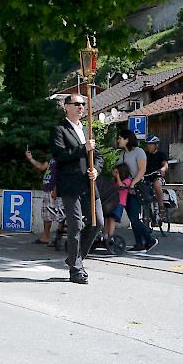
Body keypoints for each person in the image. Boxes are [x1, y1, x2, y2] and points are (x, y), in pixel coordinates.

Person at [50, 94, 104, 285]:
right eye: (77, 104)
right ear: (66, 106)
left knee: (97, 223)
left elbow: (98, 156)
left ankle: (75, 257)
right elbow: (60, 155)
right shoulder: (59, 130)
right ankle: (76, 269)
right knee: (75, 226)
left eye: (83, 104)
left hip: (89, 185)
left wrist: (96, 169)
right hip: (71, 186)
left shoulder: (88, 130)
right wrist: (83, 148)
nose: (81, 107)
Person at [117, 129, 158, 253]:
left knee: (134, 218)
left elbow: (142, 170)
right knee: (132, 217)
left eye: (120, 138)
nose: (118, 140)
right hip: (126, 189)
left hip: (136, 188)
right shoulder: (122, 154)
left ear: (127, 139)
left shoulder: (138, 152)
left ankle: (150, 239)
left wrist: (133, 184)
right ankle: (139, 244)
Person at [25, 150, 63, 246]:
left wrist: (56, 189)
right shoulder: (52, 158)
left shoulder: (62, 159)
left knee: (60, 215)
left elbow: (60, 175)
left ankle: (58, 237)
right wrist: (30, 158)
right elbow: (41, 167)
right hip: (47, 189)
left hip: (54, 191)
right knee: (47, 215)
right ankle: (46, 236)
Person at [101, 163, 132, 243]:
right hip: (110, 202)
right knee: (106, 218)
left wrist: (118, 177)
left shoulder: (127, 180)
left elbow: (121, 186)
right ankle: (105, 235)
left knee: (112, 218)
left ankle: (111, 236)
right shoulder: (113, 181)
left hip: (119, 202)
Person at [144, 135, 169, 225]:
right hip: (146, 176)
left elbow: (165, 165)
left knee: (157, 185)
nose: (149, 146)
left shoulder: (161, 154)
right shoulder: (145, 154)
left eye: (151, 144)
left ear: (156, 145)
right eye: (148, 144)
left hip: (157, 176)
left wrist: (162, 169)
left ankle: (161, 207)